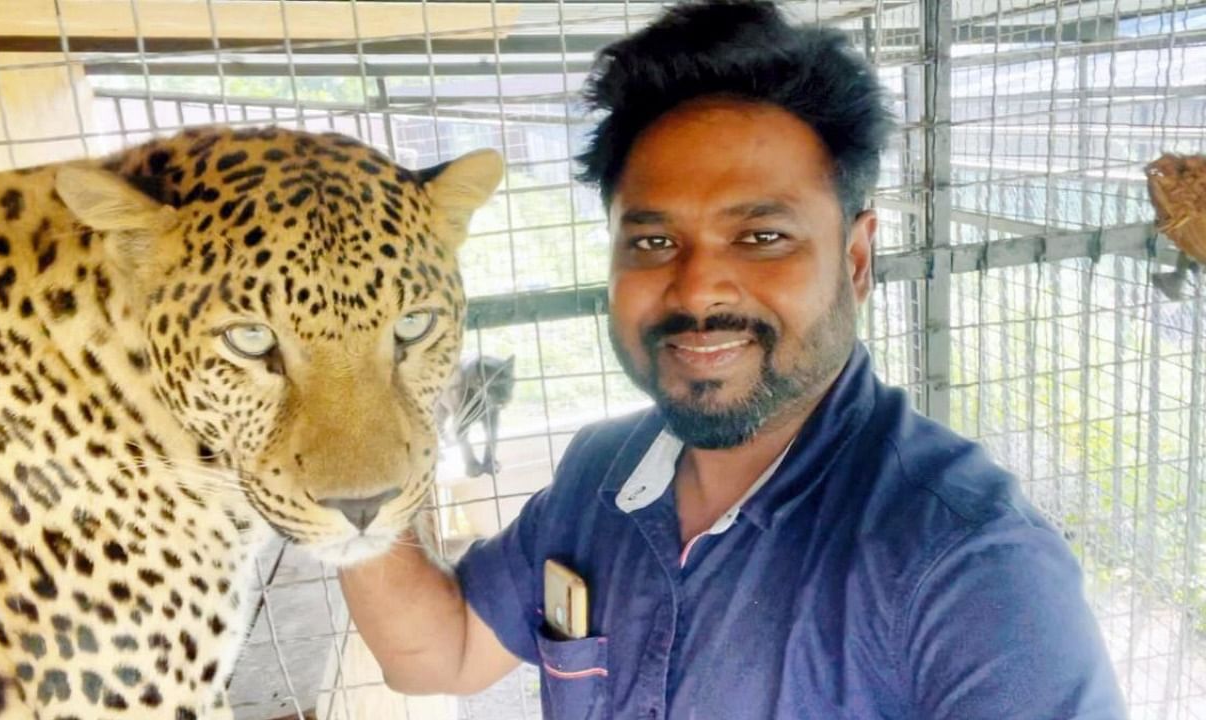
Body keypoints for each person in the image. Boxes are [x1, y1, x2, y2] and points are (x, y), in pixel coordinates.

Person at [339, 1, 1128, 718]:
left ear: (856, 260)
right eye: (652, 241)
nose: (697, 288)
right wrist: (342, 437)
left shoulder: (965, 565)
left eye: (761, 238)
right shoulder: (601, 474)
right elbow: (439, 654)